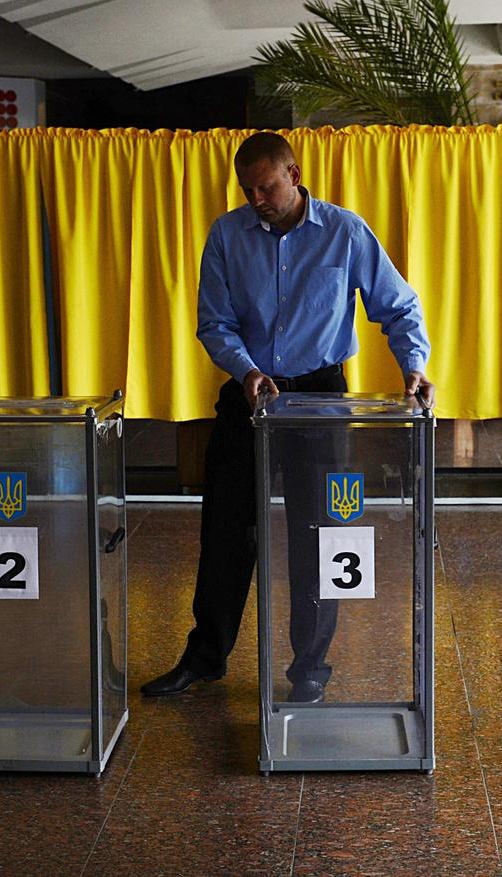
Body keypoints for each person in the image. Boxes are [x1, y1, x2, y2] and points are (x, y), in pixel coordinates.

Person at [141, 131, 432, 703]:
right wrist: (247, 372)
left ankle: (310, 668)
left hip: (320, 399)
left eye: (267, 186)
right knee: (227, 530)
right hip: (250, 397)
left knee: (319, 534)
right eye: (247, 189)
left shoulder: (345, 232)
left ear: (294, 175)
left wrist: (414, 366)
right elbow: (213, 322)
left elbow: (398, 306)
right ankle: (206, 658)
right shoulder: (227, 235)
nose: (257, 199)